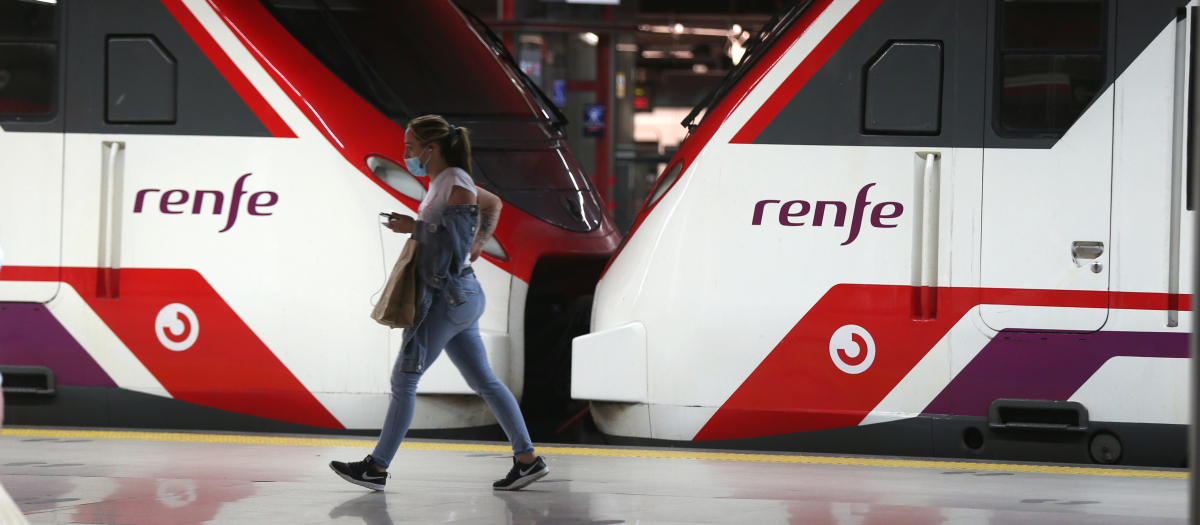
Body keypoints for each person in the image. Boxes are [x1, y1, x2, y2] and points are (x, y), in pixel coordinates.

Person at [330, 115, 548, 492]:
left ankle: (376, 468)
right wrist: (479, 242)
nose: (406, 154)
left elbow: (455, 245)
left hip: (446, 298)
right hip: (460, 295)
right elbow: (491, 204)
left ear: (432, 149)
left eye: (411, 147)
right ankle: (527, 460)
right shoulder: (448, 182)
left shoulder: (456, 185)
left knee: (404, 379)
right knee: (485, 380)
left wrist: (416, 229)